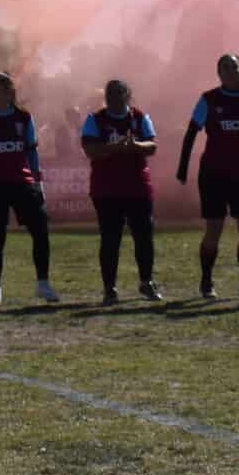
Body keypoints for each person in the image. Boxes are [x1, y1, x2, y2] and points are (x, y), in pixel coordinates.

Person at [176, 55, 239, 300]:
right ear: (218, 72)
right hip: (213, 176)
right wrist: (182, 167)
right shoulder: (208, 99)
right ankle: (207, 282)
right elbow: (190, 134)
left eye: (234, 66)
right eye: (225, 67)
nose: (230, 71)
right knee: (214, 230)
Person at [0, 70, 58, 307]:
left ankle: (43, 284)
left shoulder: (24, 118)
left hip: (22, 183)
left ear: (9, 90)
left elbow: (32, 152)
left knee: (41, 229)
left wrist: (39, 182)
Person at [81, 77, 162, 305]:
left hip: (138, 188)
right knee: (110, 239)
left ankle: (146, 282)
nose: (114, 97)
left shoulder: (140, 117)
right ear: (105, 97)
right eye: (110, 94)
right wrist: (116, 148)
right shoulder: (94, 120)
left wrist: (136, 146)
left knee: (144, 237)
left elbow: (153, 146)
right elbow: (90, 150)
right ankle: (110, 288)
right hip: (106, 190)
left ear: (128, 95)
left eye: (119, 93)